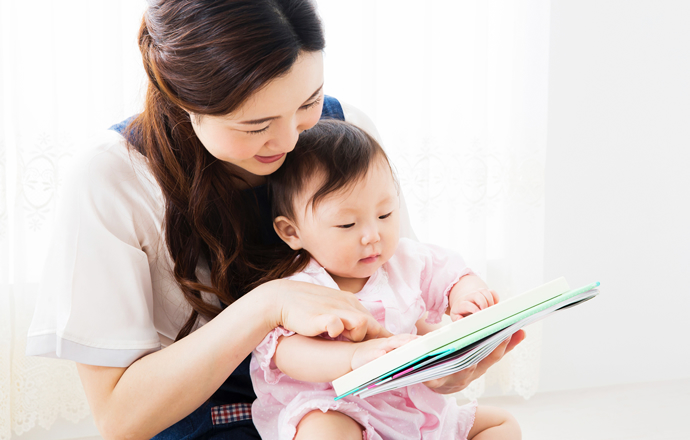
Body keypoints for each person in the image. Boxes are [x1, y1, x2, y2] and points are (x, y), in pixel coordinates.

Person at [25, 1, 525, 439]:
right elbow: (120, 420)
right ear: (181, 98)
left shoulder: (342, 133)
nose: (288, 140)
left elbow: (398, 284)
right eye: (255, 125)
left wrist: (436, 362)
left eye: (307, 102)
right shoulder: (112, 177)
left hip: (367, 408)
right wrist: (268, 305)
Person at [248, 120, 521, 440]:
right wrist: (352, 358)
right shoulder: (298, 287)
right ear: (292, 232)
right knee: (321, 430)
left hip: (413, 410)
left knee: (501, 424)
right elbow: (286, 353)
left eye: (385, 215)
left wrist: (469, 298)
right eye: (348, 224)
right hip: (339, 406)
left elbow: (454, 275)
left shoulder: (405, 261)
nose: (372, 236)